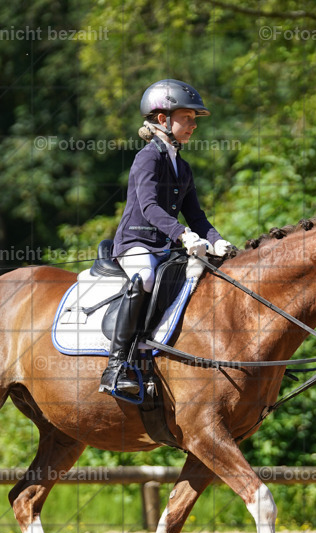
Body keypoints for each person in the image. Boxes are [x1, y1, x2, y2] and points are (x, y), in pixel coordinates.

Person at [98, 79, 235, 397]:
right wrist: (183, 235)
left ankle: (156, 361)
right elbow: (148, 207)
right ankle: (116, 366)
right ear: (162, 119)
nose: (193, 125)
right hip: (136, 242)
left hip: (167, 244)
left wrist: (217, 241)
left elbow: (197, 216)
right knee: (144, 278)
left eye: (194, 120)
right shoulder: (148, 158)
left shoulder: (182, 168)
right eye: (187, 118)